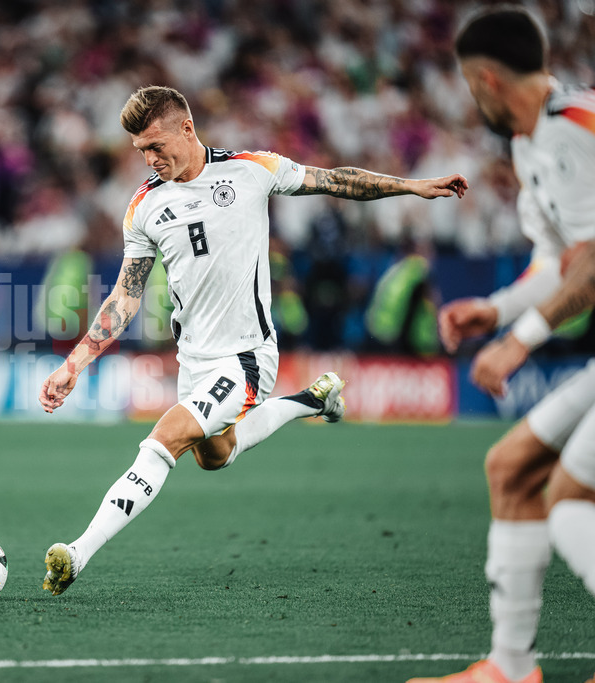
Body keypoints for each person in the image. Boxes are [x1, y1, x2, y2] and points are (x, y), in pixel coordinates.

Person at [38, 85, 468, 596]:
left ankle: (77, 553)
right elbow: (125, 298)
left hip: (246, 357)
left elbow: (333, 181)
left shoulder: (251, 169)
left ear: (187, 129)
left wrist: (412, 187)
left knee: (162, 441)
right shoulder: (144, 207)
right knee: (213, 455)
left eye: (157, 146)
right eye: (141, 152)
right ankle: (312, 400)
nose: (151, 160)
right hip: (194, 360)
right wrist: (75, 363)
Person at [408, 7, 595, 683]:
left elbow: (593, 267)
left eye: (467, 83)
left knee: (571, 501)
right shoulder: (531, 141)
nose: (470, 96)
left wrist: (520, 342)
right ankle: (511, 668)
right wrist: (495, 308)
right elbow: (556, 264)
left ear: (486, 78)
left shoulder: (575, 133)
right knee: (512, 469)